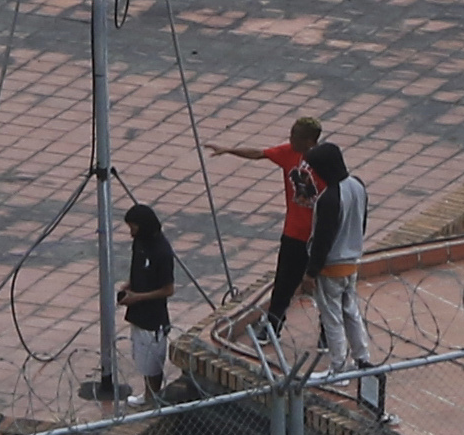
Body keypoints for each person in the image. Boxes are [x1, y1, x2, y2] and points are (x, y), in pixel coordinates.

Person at [207, 119, 323, 334]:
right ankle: (272, 325)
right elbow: (259, 153)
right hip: (293, 233)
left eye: (294, 135)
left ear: (308, 140)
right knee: (283, 284)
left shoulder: (324, 161)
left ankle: (328, 331)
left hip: (319, 236)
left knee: (323, 286)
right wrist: (229, 150)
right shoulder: (289, 153)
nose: (290, 139)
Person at [308, 141, 373, 387]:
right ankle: (362, 359)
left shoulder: (329, 198)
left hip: (330, 267)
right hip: (352, 261)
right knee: (351, 313)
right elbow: (362, 221)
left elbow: (323, 239)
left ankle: (338, 370)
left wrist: (311, 272)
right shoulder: (358, 186)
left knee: (332, 317)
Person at [120, 204, 179, 403]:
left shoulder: (162, 252)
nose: (131, 233)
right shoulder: (139, 243)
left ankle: (152, 397)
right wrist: (129, 285)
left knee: (153, 362)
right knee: (141, 358)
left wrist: (137, 297)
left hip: (153, 317)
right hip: (137, 312)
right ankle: (147, 395)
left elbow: (168, 289)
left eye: (133, 228)